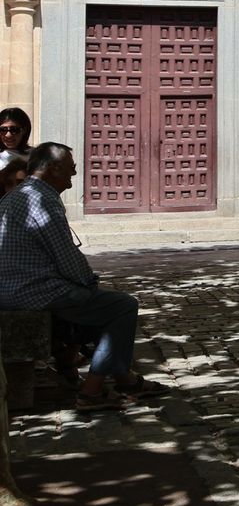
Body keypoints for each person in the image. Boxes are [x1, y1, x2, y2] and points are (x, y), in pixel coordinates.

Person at [0, 143, 168, 410]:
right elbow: (67, 259)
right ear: (53, 169)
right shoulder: (41, 199)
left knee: (98, 304)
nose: (74, 175)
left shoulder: (15, 196)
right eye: (70, 168)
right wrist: (90, 281)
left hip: (12, 288)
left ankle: (125, 378)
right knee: (122, 306)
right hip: (31, 292)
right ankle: (91, 393)